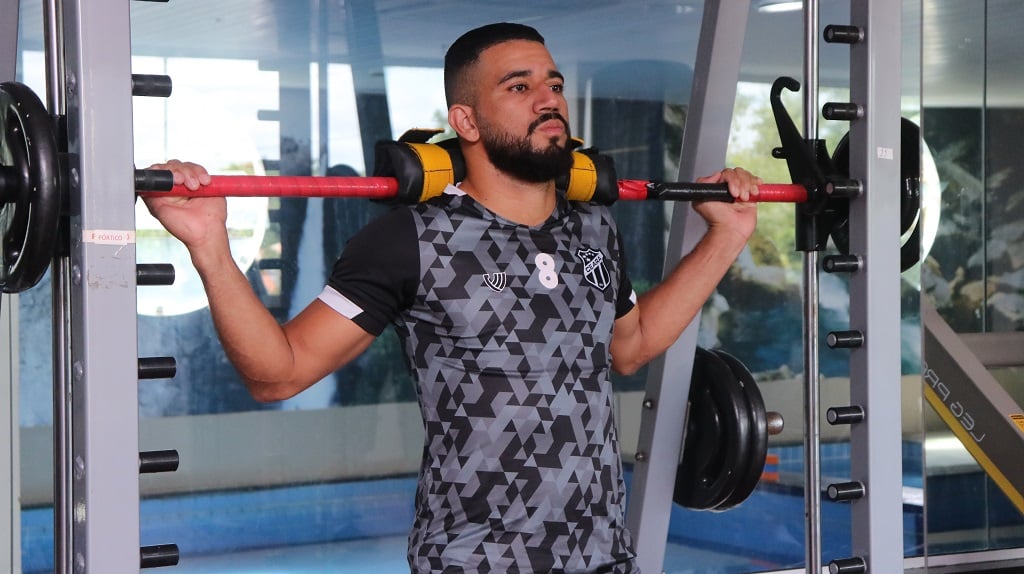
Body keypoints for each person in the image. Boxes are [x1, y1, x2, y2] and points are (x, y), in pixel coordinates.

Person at [144, 22, 760, 574]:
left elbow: (632, 346)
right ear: (466, 121)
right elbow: (278, 374)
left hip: (603, 558)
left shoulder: (593, 229)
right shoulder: (408, 241)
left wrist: (726, 236)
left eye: (553, 83)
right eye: (519, 88)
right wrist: (210, 247)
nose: (548, 100)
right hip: (474, 562)